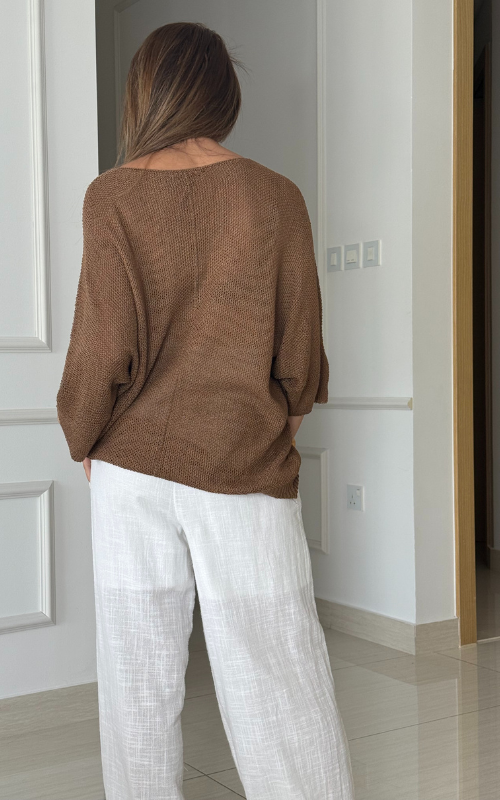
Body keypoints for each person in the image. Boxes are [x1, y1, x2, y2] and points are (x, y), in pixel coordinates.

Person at [56, 20, 355, 800]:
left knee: (138, 678)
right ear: (223, 94)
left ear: (145, 93)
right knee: (278, 674)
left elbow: (100, 347)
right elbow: (299, 356)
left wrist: (83, 439)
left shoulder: (111, 196)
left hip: (129, 469)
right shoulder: (276, 197)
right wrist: (272, 425)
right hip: (244, 464)